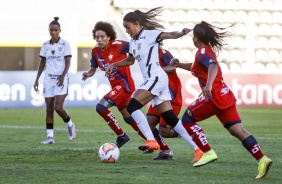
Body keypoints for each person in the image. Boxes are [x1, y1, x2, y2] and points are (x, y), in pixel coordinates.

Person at [170, 21, 272, 179]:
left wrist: (208, 85)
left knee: (187, 119)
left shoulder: (202, 52)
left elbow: (212, 66)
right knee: (238, 131)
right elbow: (197, 67)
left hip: (214, 97)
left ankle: (207, 152)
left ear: (196, 37)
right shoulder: (206, 51)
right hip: (225, 95)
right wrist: (179, 64)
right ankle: (262, 159)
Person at [106, 7, 200, 159]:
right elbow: (130, 60)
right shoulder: (133, 42)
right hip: (152, 79)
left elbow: (170, 34)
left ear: (136, 23)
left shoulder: (150, 34)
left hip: (156, 77)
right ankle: (198, 150)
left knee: (132, 106)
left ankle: (151, 141)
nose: (127, 31)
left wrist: (180, 33)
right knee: (171, 119)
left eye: (128, 27)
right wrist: (114, 64)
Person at [82, 21, 146, 148]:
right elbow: (93, 68)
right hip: (116, 88)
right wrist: (89, 73)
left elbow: (136, 46)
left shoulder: (119, 45)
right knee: (128, 117)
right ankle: (151, 141)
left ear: (109, 37)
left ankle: (122, 136)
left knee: (101, 107)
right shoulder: (95, 51)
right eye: (97, 37)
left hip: (125, 86)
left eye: (102, 37)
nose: (99, 40)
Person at [146, 46, 203, 162]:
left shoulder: (162, 52)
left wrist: (157, 70)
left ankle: (194, 133)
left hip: (171, 98)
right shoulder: (145, 54)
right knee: (147, 125)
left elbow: (173, 67)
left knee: (165, 132)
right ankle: (165, 151)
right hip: (158, 95)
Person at [33, 17, 76, 144]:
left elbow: (68, 62)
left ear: (60, 31)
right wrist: (37, 80)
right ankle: (50, 137)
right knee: (49, 108)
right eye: (51, 30)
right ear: (49, 30)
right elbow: (42, 63)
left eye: (56, 30)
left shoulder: (65, 44)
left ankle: (70, 125)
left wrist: (62, 76)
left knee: (58, 107)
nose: (53, 32)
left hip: (61, 79)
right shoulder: (45, 45)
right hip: (48, 79)